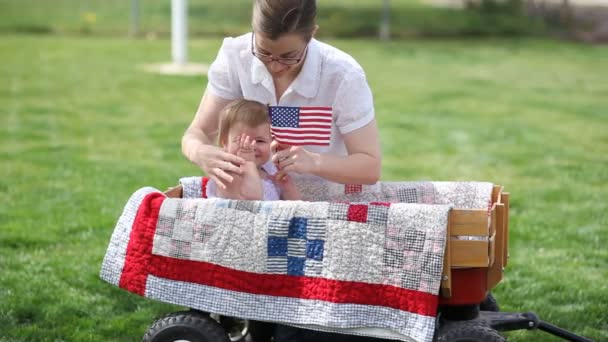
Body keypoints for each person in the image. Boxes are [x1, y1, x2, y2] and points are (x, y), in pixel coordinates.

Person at [181, 0, 383, 340]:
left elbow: (370, 165)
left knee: (296, 328)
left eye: (289, 56)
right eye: (265, 53)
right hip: (253, 218)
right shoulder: (236, 57)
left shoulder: (342, 74)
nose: (275, 66)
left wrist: (315, 162)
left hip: (317, 216)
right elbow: (196, 133)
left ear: (312, 36)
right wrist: (202, 153)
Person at [206, 99, 300, 201]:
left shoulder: (270, 170)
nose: (251, 147)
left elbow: (295, 206)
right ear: (224, 143)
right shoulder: (228, 172)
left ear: (270, 142)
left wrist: (287, 189)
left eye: (260, 141)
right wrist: (248, 163)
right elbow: (252, 200)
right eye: (241, 141)